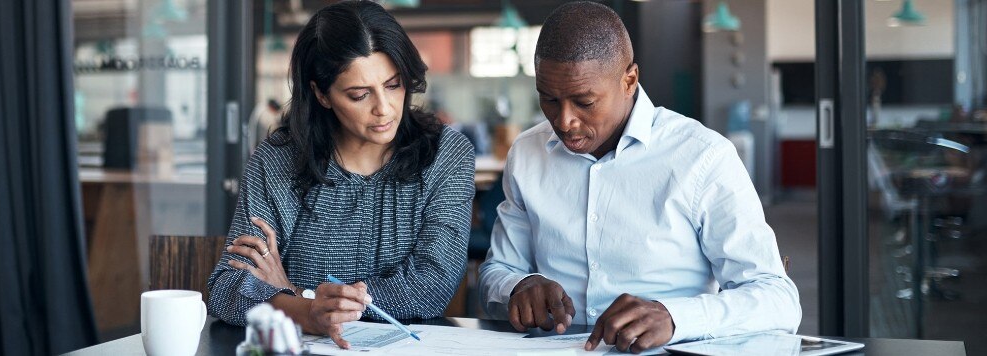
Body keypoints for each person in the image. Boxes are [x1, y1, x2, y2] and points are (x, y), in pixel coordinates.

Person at [478, 2, 801, 354]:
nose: (564, 120)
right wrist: (520, 285)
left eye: (584, 102)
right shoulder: (527, 153)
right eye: (549, 99)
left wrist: (674, 318)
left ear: (629, 80)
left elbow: (777, 298)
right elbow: (498, 269)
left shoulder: (702, 157)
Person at [207, 0, 475, 349]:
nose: (384, 108)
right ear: (321, 94)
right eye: (359, 94)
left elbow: (431, 285)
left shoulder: (446, 155)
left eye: (393, 85)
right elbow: (227, 287)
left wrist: (292, 295)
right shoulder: (276, 160)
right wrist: (307, 312)